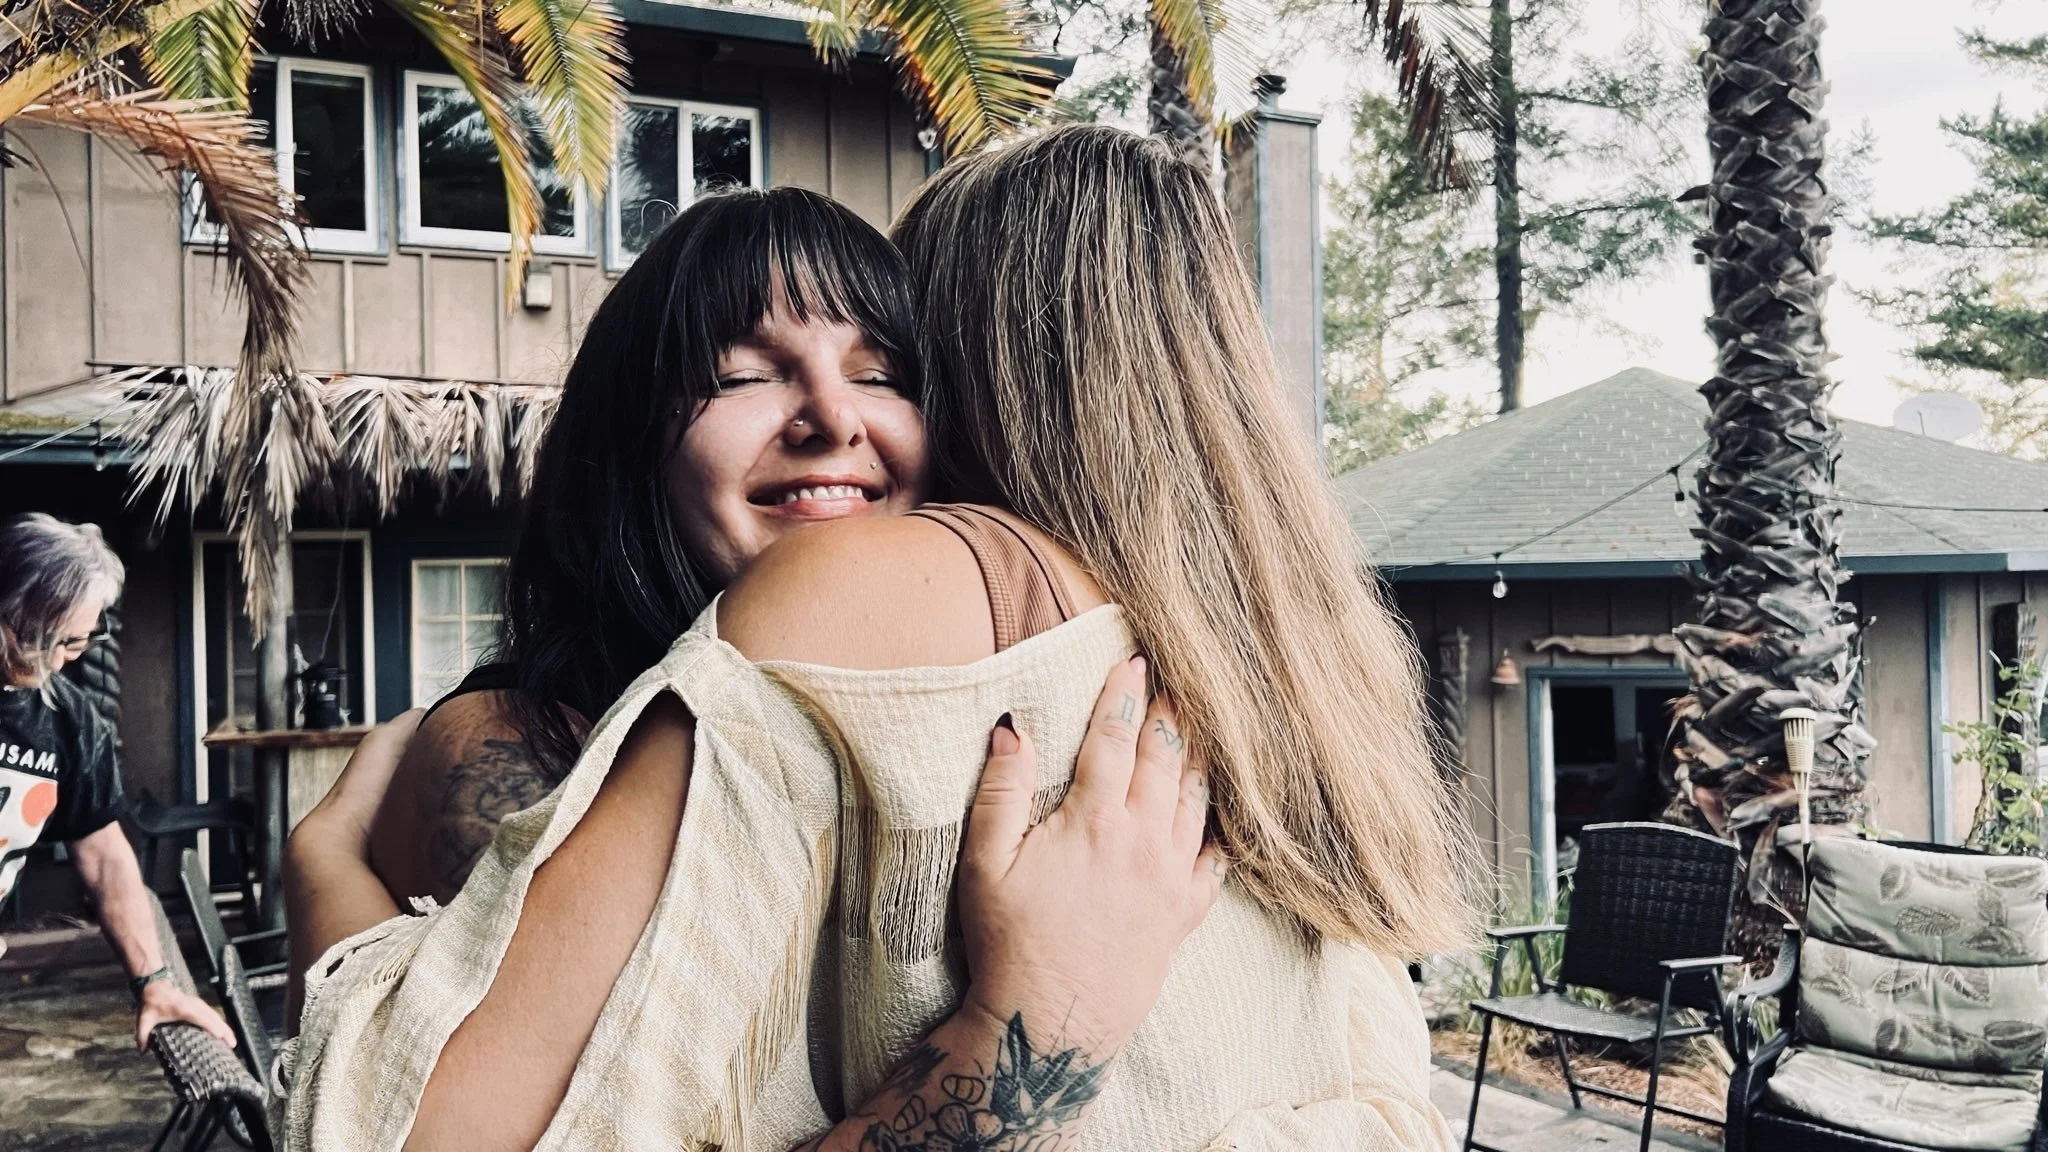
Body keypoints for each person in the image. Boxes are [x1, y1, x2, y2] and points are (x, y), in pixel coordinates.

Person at [286, 126, 1473, 1150]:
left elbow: (400, 1126)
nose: (833, 418)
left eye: (884, 367)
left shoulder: (880, 602)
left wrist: (322, 866)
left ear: (963, 383)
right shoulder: (1285, 683)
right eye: (740, 374)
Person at [0, 513, 236, 1052]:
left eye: (74, 644)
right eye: (39, 638)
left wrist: (156, 983)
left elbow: (105, 856)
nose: (54, 660)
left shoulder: (69, 722)